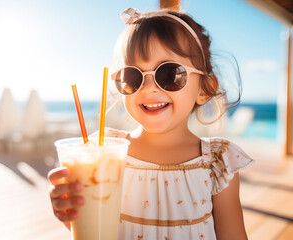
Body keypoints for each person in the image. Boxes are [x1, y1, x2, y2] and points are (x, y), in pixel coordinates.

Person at [48, 8, 254, 240]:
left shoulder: (217, 164)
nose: (147, 88)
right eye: (132, 77)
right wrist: (74, 217)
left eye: (169, 74)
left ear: (205, 88)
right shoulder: (104, 152)